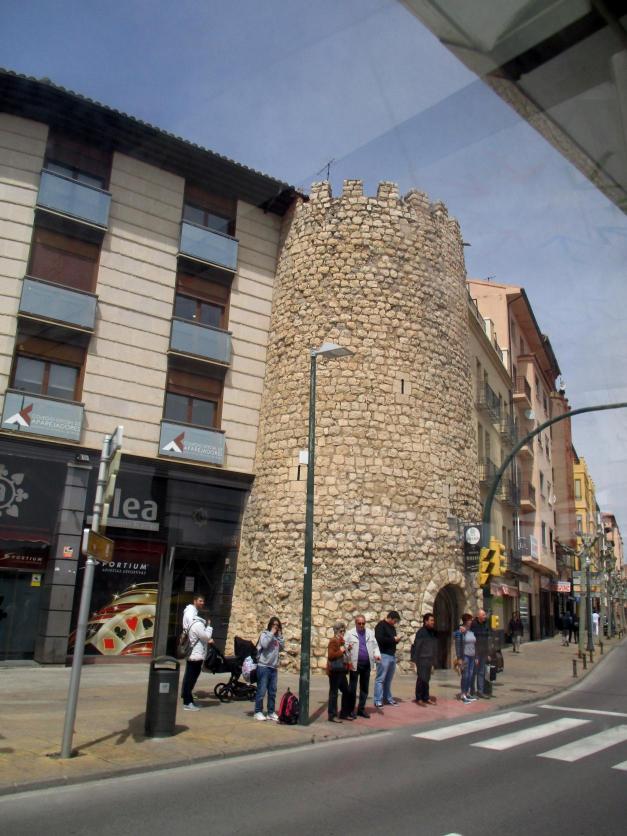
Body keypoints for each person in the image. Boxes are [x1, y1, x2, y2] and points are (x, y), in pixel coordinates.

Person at [180, 594, 214, 711]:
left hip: (194, 654)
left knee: (190, 678)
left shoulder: (194, 622)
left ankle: (189, 701)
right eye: (200, 601)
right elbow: (206, 637)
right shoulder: (198, 624)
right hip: (195, 655)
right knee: (190, 679)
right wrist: (209, 627)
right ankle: (187, 702)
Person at [344, 615, 381, 718]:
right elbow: (344, 646)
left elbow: (375, 646)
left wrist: (377, 655)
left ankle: (361, 709)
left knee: (364, 688)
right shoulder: (350, 633)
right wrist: (348, 650)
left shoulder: (370, 633)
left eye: (363, 623)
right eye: (359, 623)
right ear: (355, 623)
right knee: (352, 688)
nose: (361, 625)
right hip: (355, 664)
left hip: (367, 664)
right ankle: (350, 710)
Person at [254, 616, 284, 721]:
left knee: (272, 691)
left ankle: (271, 712)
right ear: (270, 625)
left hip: (273, 667)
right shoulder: (265, 634)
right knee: (261, 691)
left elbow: (281, 648)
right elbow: (265, 644)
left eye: (277, 625)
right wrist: (271, 633)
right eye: (274, 625)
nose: (276, 627)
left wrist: (280, 636)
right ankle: (258, 711)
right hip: (263, 666)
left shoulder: (277, 637)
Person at [374, 610, 401, 707]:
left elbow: (392, 640)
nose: (395, 623)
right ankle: (378, 700)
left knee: (388, 679)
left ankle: (387, 698)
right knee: (380, 679)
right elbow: (379, 639)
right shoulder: (381, 625)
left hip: (391, 655)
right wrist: (393, 639)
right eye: (394, 621)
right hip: (383, 654)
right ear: (390, 618)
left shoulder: (392, 627)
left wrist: (396, 640)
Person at [411, 612, 438, 706]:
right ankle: (419, 698)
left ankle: (426, 697)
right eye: (431, 620)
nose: (433, 622)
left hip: (429, 659)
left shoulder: (432, 632)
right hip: (421, 659)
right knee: (421, 679)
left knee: (427, 679)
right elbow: (416, 647)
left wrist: (434, 661)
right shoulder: (421, 632)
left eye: (433, 620)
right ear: (426, 621)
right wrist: (414, 661)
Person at [327, 622, 351, 722]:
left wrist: (347, 649)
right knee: (334, 693)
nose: (343, 633)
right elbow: (331, 655)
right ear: (336, 631)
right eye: (341, 631)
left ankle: (344, 713)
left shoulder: (341, 641)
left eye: (344, 631)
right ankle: (332, 715)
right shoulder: (333, 641)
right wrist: (341, 651)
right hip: (335, 671)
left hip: (341, 670)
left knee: (346, 691)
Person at [454, 613, 477, 704]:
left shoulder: (471, 631)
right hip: (465, 656)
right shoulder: (460, 631)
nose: (471, 621)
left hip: (472, 656)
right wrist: (459, 658)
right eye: (470, 620)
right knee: (465, 676)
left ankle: (467, 693)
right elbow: (458, 645)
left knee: (470, 676)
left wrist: (476, 657)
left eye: (471, 620)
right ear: (466, 621)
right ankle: (463, 694)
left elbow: (474, 644)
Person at [470, 609, 492, 698]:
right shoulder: (473, 624)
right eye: (483, 615)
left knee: (481, 672)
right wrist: (475, 655)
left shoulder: (486, 624)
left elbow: (488, 639)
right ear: (478, 616)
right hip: (476, 653)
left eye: (485, 615)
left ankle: (480, 691)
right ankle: (472, 691)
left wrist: (488, 653)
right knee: (474, 672)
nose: (485, 616)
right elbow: (472, 641)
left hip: (484, 652)